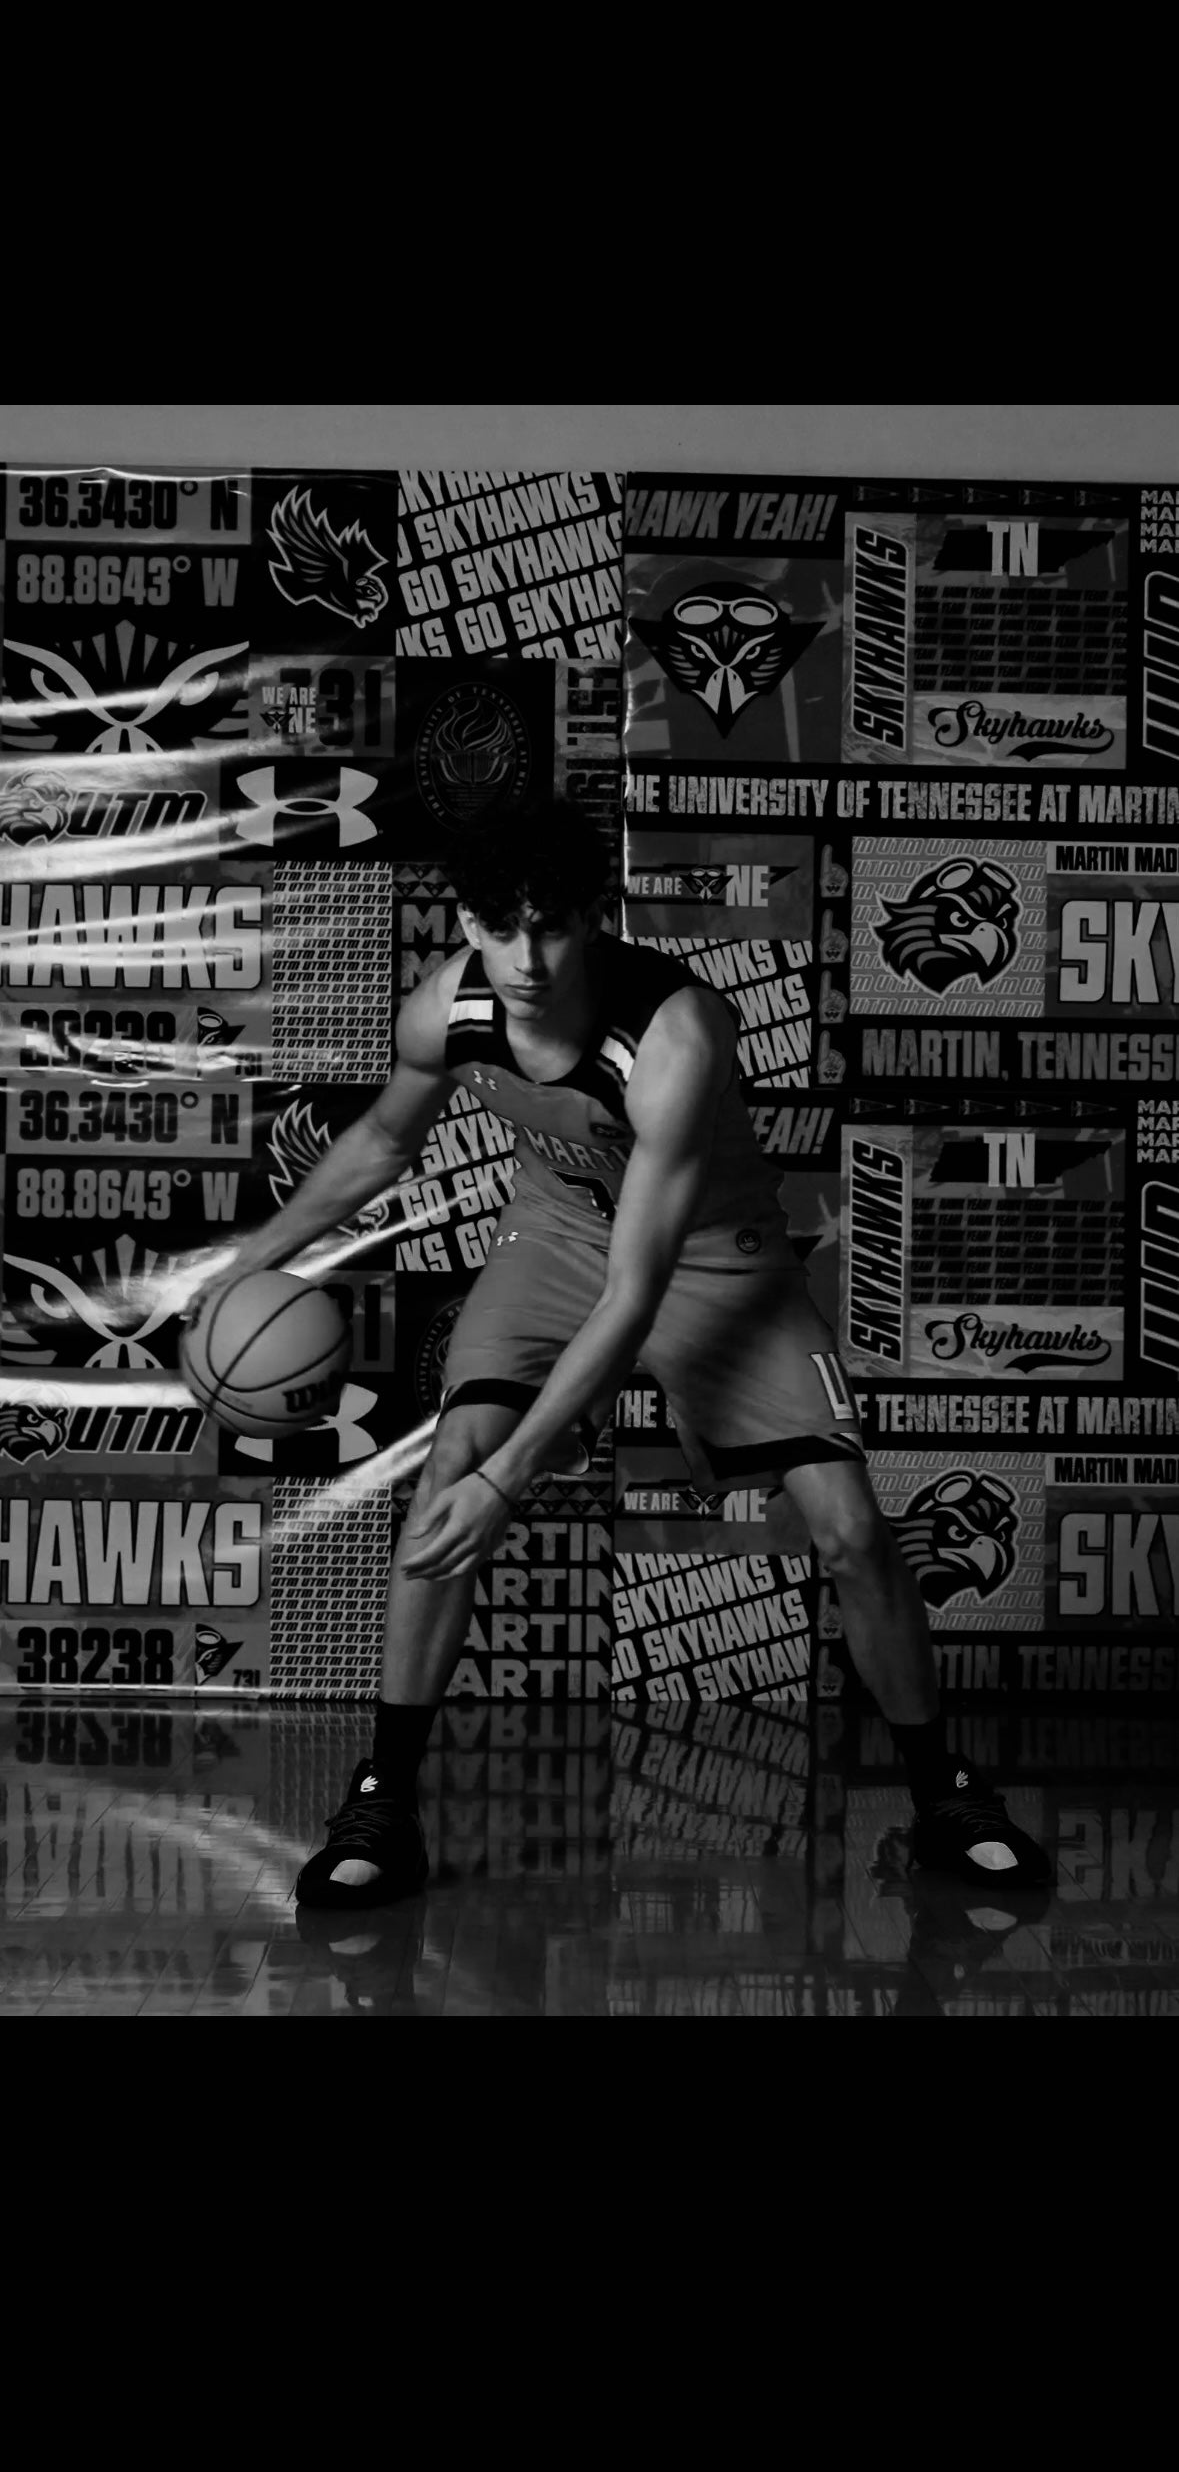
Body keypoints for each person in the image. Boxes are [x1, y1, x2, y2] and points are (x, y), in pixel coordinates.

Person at [193, 803, 1051, 1906]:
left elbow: (635, 1295)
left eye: (552, 928)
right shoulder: (445, 1006)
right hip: (553, 1235)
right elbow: (380, 1140)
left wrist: (514, 1479)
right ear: (467, 922)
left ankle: (944, 1793)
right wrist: (246, 1265)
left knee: (848, 1530)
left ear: (597, 918)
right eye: (500, 928)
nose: (527, 960)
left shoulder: (674, 1036)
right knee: (447, 1473)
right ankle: (383, 1800)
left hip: (712, 1257)